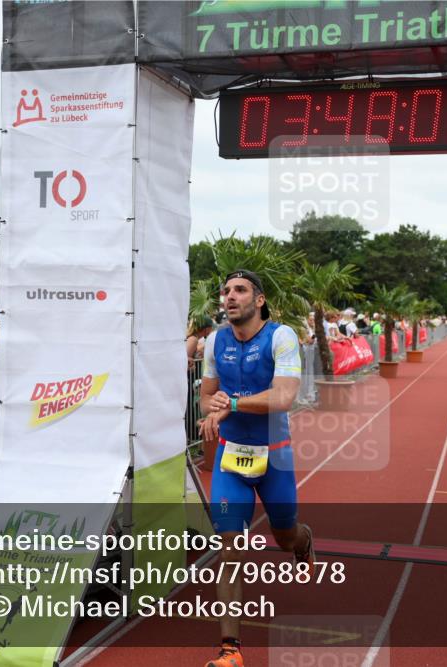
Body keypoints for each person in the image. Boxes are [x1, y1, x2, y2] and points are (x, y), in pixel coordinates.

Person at [199, 269, 314, 667]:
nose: (230, 296)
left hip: (275, 456)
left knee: (285, 537)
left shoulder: (281, 337)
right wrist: (212, 409)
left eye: (240, 290)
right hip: (231, 459)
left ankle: (303, 541)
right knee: (231, 546)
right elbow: (206, 397)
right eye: (226, 291)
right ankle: (230, 649)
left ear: (259, 300)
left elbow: (283, 398)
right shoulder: (215, 341)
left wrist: (230, 405)